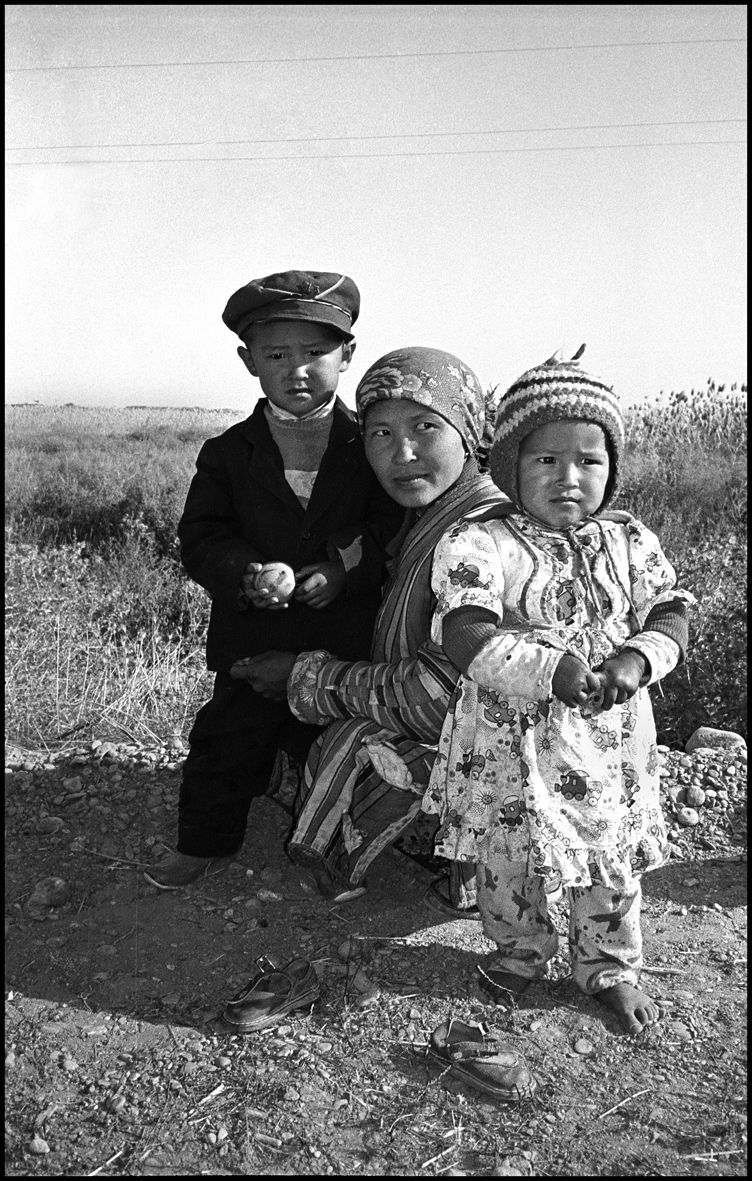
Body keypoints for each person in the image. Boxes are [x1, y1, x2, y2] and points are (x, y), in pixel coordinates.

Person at [422, 349, 694, 1034]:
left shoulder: (628, 539)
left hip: (608, 741)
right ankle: (518, 949)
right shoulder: (479, 540)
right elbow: (466, 632)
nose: (569, 478)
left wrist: (637, 659)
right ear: (511, 463)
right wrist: (551, 669)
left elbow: (672, 611)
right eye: (545, 460)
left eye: (588, 460)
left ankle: (606, 965)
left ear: (612, 466)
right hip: (509, 739)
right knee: (508, 854)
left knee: (609, 851)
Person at [144, 270, 401, 889]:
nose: (298, 370)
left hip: (342, 648)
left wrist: (343, 568)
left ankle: (333, 856)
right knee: (228, 743)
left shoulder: (371, 446)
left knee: (336, 754)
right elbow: (201, 538)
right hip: (250, 644)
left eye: (316, 353)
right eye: (276, 355)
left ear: (347, 356)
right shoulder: (228, 453)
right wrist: (248, 573)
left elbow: (391, 524)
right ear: (248, 361)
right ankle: (204, 843)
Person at [232, 346, 505, 909]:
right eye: (379, 434)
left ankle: (478, 863)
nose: (402, 454)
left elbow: (438, 701)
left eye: (426, 426)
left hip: (491, 762)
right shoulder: (435, 517)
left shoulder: (478, 539)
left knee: (350, 739)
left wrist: (305, 679)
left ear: (470, 429)